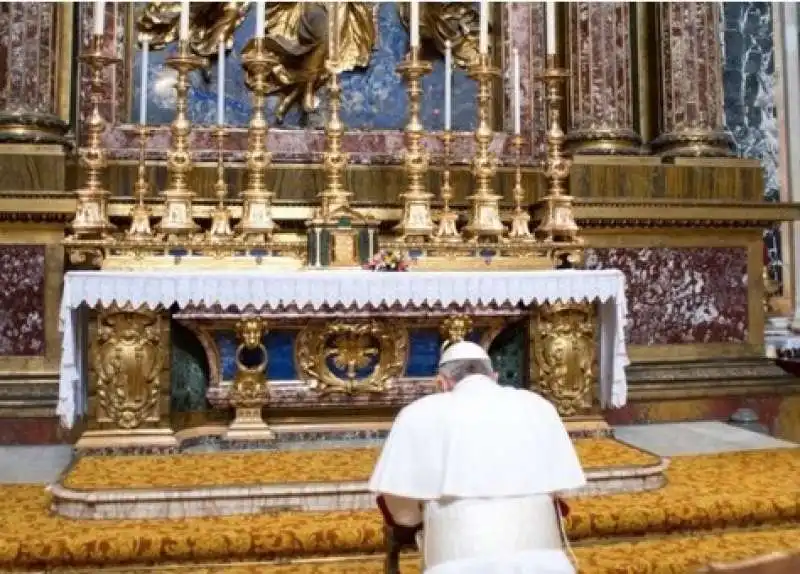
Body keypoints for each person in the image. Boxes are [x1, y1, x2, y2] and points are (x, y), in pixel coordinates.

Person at [368, 340, 586, 574]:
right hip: (547, 565)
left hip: (455, 564)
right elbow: (558, 493)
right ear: (494, 376)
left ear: (442, 383)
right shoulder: (539, 407)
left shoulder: (417, 413)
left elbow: (402, 513)